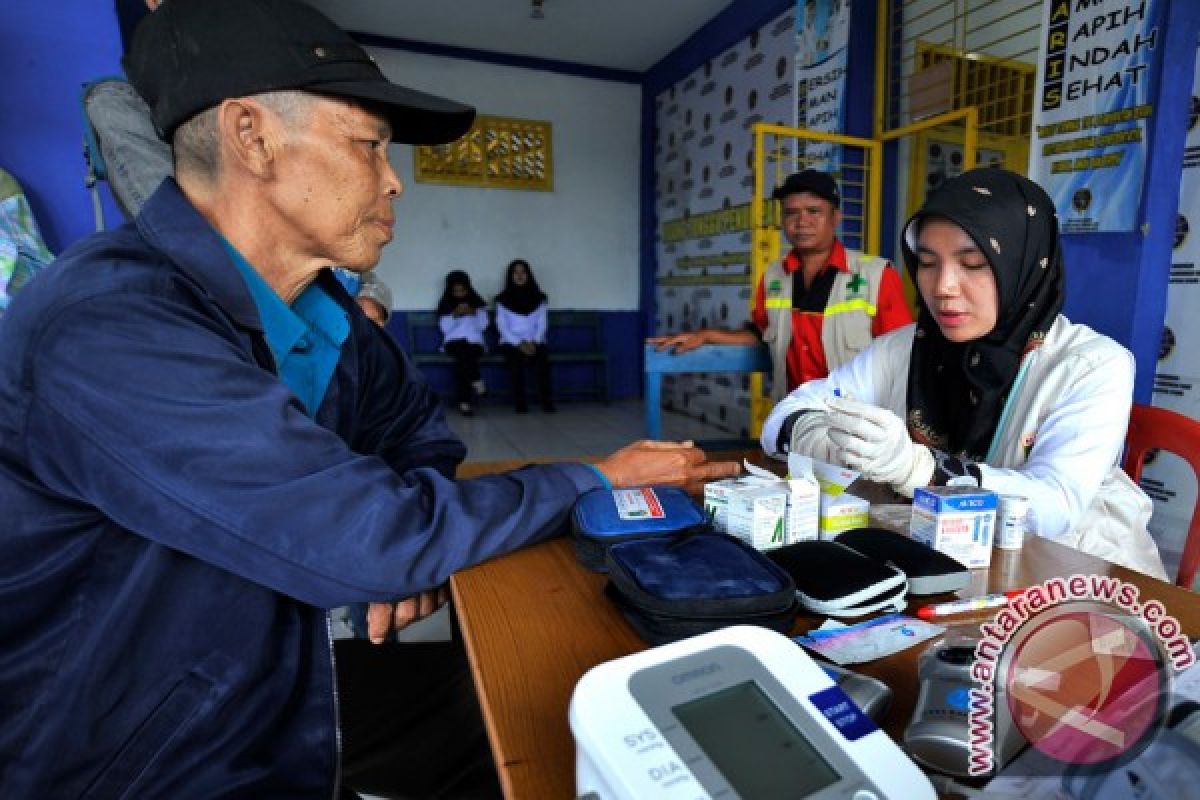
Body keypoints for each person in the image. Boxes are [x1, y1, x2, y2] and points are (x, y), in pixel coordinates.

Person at [0, 2, 741, 798]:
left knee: (555, 713)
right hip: (131, 750)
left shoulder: (330, 314)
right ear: (251, 135)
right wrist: (597, 480)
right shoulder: (112, 325)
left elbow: (417, 437)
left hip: (274, 680)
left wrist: (404, 542)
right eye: (369, 145)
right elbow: (370, 534)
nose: (393, 180)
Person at [763, 167, 1166, 579]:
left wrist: (918, 469)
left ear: (1023, 264)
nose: (943, 287)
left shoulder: (1090, 365)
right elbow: (780, 420)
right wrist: (825, 441)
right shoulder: (909, 345)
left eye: (973, 264)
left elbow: (1054, 508)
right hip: (953, 564)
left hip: (1071, 573)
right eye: (927, 263)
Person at [648, 169, 912, 400]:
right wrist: (706, 336)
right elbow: (760, 335)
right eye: (791, 213)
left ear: (836, 217)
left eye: (814, 211)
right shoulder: (774, 276)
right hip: (795, 417)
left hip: (859, 423)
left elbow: (900, 357)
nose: (802, 222)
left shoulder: (876, 275)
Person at [495, 258, 554, 413]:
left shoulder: (539, 298)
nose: (519, 275)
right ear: (510, 276)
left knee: (542, 359)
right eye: (516, 272)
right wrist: (519, 343)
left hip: (535, 340)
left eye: (523, 272)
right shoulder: (502, 299)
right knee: (515, 361)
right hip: (511, 341)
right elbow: (502, 326)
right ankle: (520, 403)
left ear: (529, 275)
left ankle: (547, 402)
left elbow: (542, 324)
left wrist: (534, 341)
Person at [437, 270, 489, 415]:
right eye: (456, 291)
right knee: (464, 355)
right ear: (450, 291)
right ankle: (477, 380)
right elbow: (445, 329)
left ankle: (464, 403)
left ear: (468, 289)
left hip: (474, 343)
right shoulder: (446, 305)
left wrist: (474, 313)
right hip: (454, 343)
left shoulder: (477, 304)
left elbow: (483, 326)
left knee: (463, 361)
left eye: (462, 290)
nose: (460, 293)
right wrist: (454, 315)